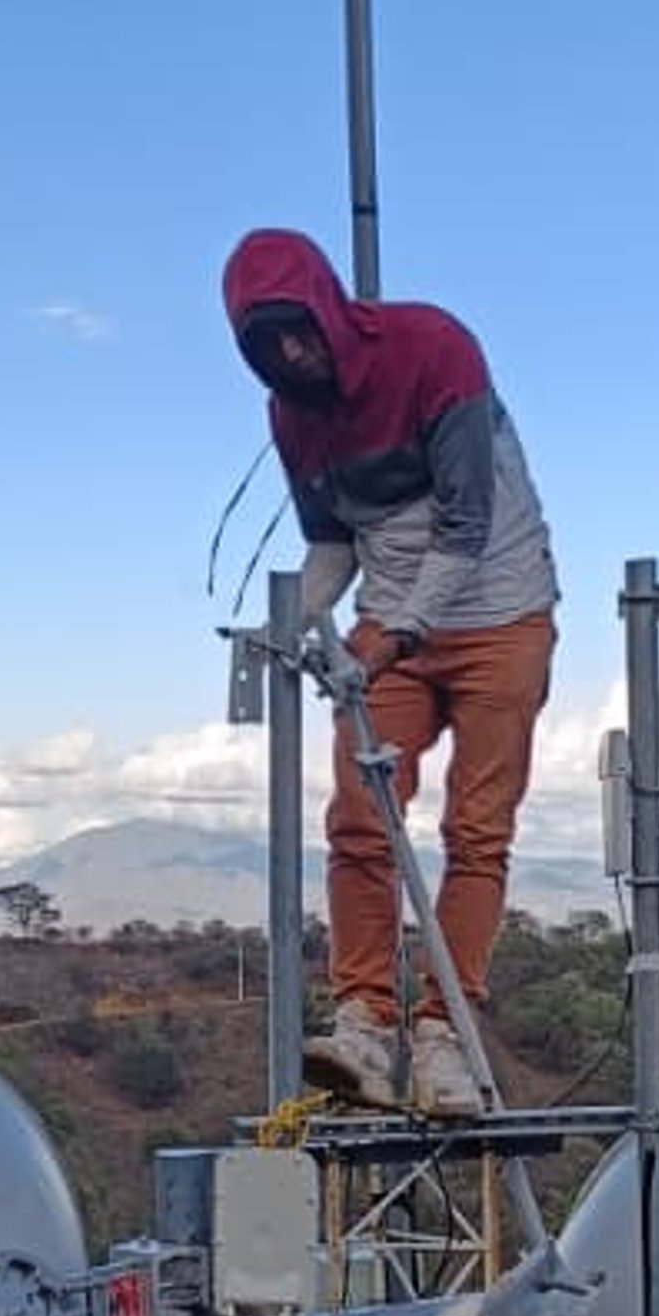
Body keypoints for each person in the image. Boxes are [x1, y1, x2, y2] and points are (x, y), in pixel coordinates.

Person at [222, 228, 556, 1118]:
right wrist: (284, 624)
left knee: (478, 829)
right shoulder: (292, 415)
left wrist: (392, 636)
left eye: (299, 331)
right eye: (268, 347)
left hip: (501, 612)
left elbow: (467, 525)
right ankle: (364, 1017)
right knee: (361, 820)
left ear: (328, 308)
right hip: (392, 625)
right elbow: (331, 546)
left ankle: (445, 1034)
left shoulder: (435, 350)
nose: (292, 355)